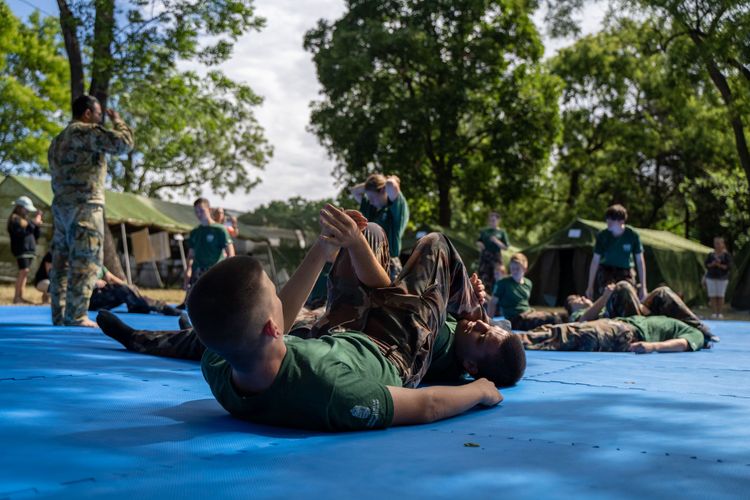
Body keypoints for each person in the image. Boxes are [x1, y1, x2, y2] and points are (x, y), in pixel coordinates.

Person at [99, 205, 526, 431]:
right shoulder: (332, 390)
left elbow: (245, 326)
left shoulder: (221, 361)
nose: (284, 300)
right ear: (273, 327)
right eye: (275, 297)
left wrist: (323, 251)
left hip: (339, 334)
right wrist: (481, 391)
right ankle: (468, 302)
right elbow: (428, 404)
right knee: (436, 244)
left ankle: (140, 338)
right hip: (395, 351)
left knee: (371, 236)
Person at [47, 94, 134, 327]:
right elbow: (123, 143)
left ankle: (60, 314)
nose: (99, 120)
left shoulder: (57, 141)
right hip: (85, 205)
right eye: (98, 115)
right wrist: (118, 121)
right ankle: (76, 316)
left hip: (61, 207)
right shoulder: (84, 132)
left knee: (61, 263)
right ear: (87, 114)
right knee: (86, 261)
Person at [564, 280, 717, 347]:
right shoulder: (576, 316)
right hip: (624, 323)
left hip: (638, 316)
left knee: (662, 292)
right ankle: (641, 310)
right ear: (572, 308)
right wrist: (605, 297)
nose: (581, 297)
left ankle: (702, 331)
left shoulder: (599, 304)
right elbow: (582, 321)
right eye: (575, 299)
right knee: (623, 286)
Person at [520, 315, 706, 354]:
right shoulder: (667, 316)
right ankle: (509, 337)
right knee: (563, 329)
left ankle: (512, 341)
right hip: (618, 324)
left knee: (575, 336)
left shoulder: (696, 332)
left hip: (625, 334)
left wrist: (653, 346)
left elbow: (684, 343)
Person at [351, 174, 409, 280]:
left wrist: (385, 181)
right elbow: (354, 191)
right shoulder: (371, 208)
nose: (371, 201)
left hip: (389, 264)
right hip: (368, 261)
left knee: (388, 296)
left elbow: (391, 184)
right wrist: (370, 186)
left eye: (372, 197)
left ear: (383, 190)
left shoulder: (396, 209)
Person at [180, 198, 235, 307]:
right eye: (196, 211)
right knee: (194, 304)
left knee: (216, 304)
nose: (199, 214)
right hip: (198, 271)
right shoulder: (195, 232)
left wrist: (229, 271)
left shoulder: (220, 230)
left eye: (201, 210)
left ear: (209, 209)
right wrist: (188, 269)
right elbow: (191, 255)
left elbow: (231, 252)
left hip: (215, 271)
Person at [586, 204, 646, 301]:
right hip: (606, 269)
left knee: (627, 294)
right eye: (607, 218)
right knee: (608, 292)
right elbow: (595, 261)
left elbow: (640, 261)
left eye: (612, 219)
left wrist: (643, 287)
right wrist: (590, 286)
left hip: (625, 270)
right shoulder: (602, 236)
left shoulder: (632, 235)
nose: (608, 221)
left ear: (622, 221)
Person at [490, 253, 565, 330]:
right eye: (512, 268)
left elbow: (524, 303)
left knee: (558, 316)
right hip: (515, 319)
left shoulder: (528, 283)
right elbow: (492, 303)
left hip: (529, 313)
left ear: (524, 269)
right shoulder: (503, 283)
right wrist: (489, 323)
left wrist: (534, 313)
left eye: (517, 269)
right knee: (552, 320)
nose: (514, 271)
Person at [7, 196, 42, 304]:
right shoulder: (14, 219)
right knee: (24, 271)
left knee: (24, 274)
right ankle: (17, 297)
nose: (27, 211)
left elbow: (35, 234)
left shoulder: (26, 220)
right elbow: (21, 234)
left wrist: (37, 225)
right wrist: (33, 224)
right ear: (19, 207)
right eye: (25, 208)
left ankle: (20, 297)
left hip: (30, 250)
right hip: (21, 250)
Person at [476, 211, 510, 294]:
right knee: (483, 276)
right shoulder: (484, 231)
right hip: (485, 257)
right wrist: (480, 244)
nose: (492, 222)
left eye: (494, 220)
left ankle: (497, 296)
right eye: (490, 220)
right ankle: (483, 297)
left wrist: (496, 241)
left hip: (496, 257)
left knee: (497, 276)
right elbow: (478, 241)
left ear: (498, 221)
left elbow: (506, 247)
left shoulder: (502, 232)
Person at [704, 237, 732, 319]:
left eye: (719, 243)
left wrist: (719, 265)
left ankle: (719, 313)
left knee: (720, 295)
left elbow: (729, 267)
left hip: (722, 278)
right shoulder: (711, 254)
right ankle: (714, 313)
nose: (717, 245)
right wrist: (713, 264)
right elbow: (706, 265)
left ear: (723, 244)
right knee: (712, 295)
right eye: (716, 243)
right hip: (711, 277)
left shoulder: (726, 255)